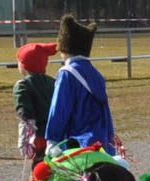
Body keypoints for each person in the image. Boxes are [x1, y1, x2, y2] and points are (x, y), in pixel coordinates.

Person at [40, 16, 115, 153]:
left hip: (78, 142)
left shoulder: (67, 73)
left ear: (64, 49)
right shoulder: (95, 73)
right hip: (101, 140)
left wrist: (52, 140)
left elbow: (60, 108)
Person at [10, 42, 56, 175]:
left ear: (25, 65)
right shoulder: (53, 82)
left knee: (39, 171)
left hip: (37, 137)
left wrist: (25, 141)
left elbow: (26, 116)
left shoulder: (22, 85)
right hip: (55, 135)